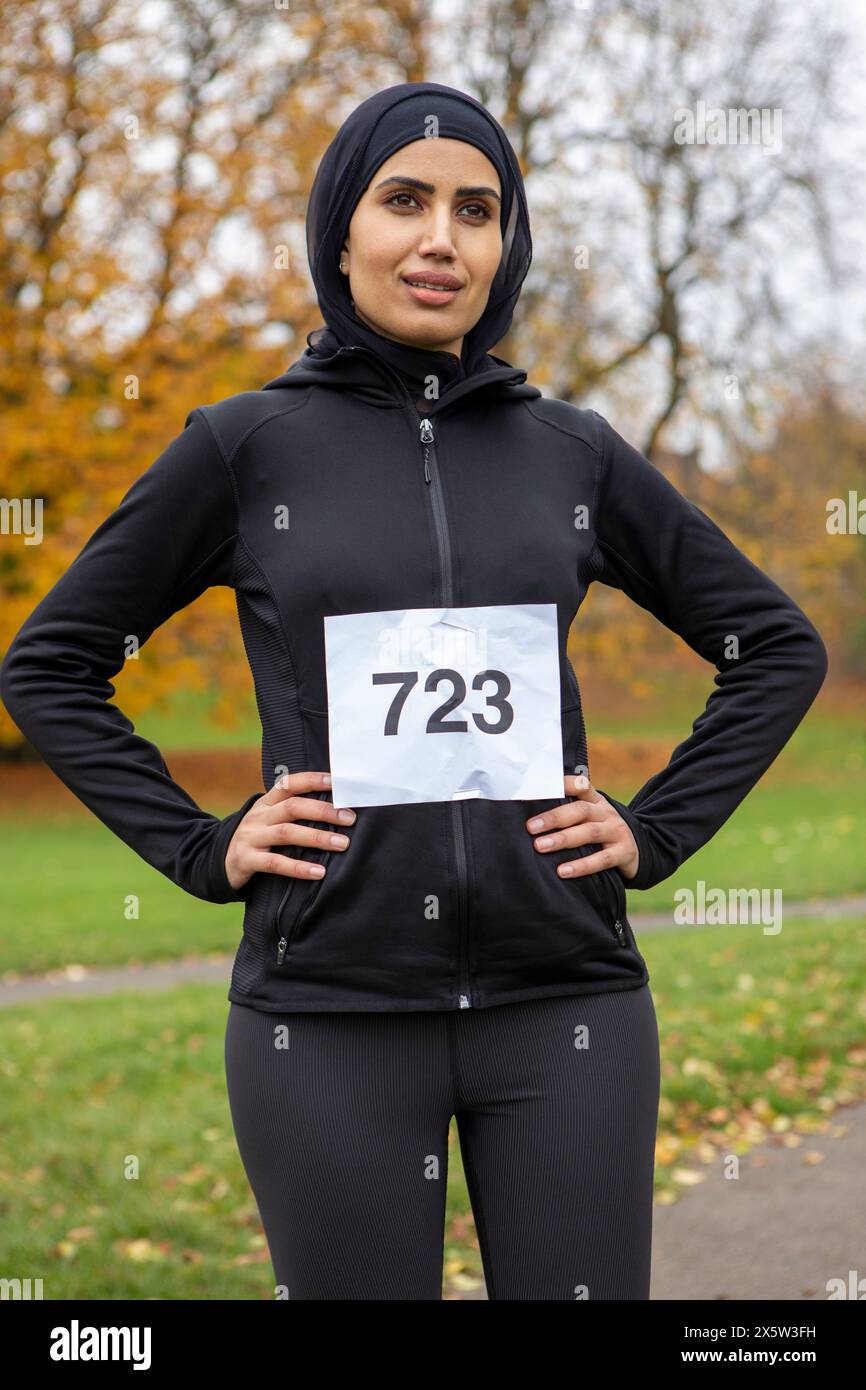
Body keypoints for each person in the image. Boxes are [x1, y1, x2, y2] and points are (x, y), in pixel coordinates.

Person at [0, 81, 828, 1302]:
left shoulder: (573, 453)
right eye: (404, 200)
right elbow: (51, 661)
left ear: (507, 245)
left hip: (568, 1009)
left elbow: (773, 642)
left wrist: (649, 833)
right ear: (342, 231)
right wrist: (200, 845)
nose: (441, 238)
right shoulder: (245, 446)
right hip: (324, 1016)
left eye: (476, 210)